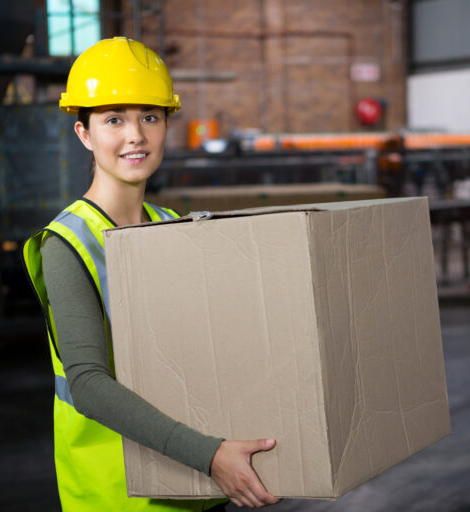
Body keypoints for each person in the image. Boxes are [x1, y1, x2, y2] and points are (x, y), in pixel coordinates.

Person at [22, 37, 280, 511]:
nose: (135, 135)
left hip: (202, 487)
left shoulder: (172, 228)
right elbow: (88, 385)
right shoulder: (68, 243)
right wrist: (209, 455)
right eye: (114, 119)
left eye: (150, 117)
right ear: (84, 133)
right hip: (121, 494)